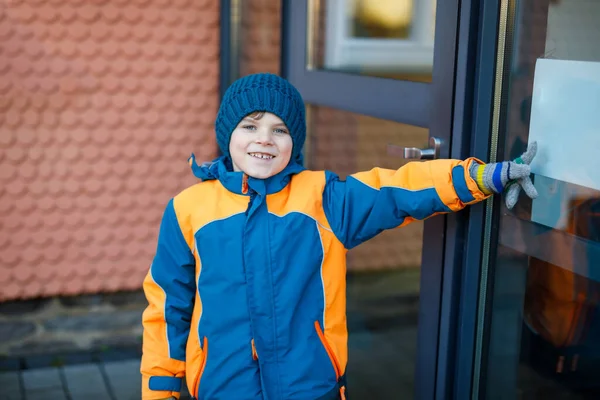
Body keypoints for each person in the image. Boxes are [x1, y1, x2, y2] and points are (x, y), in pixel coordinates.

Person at [140, 73, 538, 400]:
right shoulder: (187, 210)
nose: (264, 139)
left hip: (310, 386)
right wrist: (161, 389)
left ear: (294, 143)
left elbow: (397, 191)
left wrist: (482, 176)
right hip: (223, 387)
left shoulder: (323, 199)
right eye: (250, 126)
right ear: (227, 133)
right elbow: (167, 309)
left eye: (279, 130)